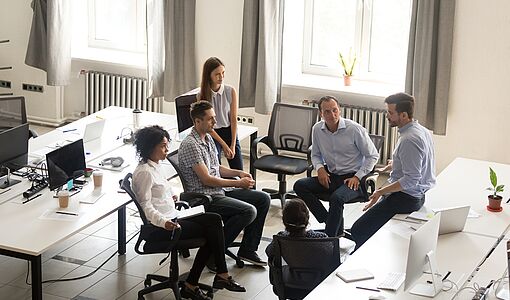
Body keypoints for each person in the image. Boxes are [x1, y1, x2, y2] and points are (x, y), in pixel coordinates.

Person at [132, 125, 245, 300]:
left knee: (214, 222)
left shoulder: (155, 166)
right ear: (149, 147)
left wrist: (171, 196)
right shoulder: (144, 173)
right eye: (163, 146)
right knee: (213, 229)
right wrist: (164, 222)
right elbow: (146, 206)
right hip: (163, 227)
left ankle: (206, 280)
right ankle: (208, 279)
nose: (167, 149)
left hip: (173, 215)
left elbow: (159, 192)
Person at [178, 100, 270, 266]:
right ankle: (214, 254)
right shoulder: (191, 144)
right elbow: (207, 179)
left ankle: (248, 249)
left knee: (263, 199)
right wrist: (238, 183)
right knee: (248, 211)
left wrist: (238, 173)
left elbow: (216, 168)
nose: (215, 122)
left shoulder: (208, 138)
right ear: (198, 121)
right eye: (211, 119)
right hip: (204, 197)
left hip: (219, 191)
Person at [350, 92, 436, 250]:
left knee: (358, 230)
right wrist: (395, 164)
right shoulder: (421, 130)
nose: (387, 116)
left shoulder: (409, 139)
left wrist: (380, 192)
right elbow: (419, 163)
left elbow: (411, 179)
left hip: (406, 198)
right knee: (369, 226)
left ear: (403, 115)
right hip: (413, 195)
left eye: (390, 113)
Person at [293, 96, 379, 237]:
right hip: (331, 176)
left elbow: (373, 156)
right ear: (321, 114)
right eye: (327, 112)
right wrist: (320, 168)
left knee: (336, 198)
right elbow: (315, 154)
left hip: (353, 179)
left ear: (340, 110)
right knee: (299, 185)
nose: (332, 115)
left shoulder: (354, 130)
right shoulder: (317, 129)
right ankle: (329, 220)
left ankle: (329, 238)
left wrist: (358, 177)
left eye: (335, 110)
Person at [197, 57, 243, 170]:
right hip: (212, 133)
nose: (221, 77)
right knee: (216, 167)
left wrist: (232, 145)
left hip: (229, 131)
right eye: (217, 74)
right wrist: (223, 145)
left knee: (238, 168)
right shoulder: (201, 96)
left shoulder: (230, 91)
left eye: (223, 73)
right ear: (209, 76)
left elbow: (233, 119)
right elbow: (207, 126)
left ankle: (245, 187)